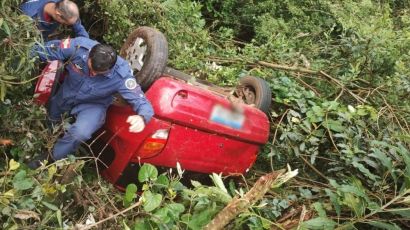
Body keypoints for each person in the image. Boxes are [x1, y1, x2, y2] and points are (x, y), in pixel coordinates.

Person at [28, 37, 154, 169]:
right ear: (89, 56)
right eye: (90, 68)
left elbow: (141, 101)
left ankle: (50, 158)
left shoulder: (122, 75)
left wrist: (142, 117)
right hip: (67, 93)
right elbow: (47, 50)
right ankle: (45, 138)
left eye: (98, 73)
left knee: (80, 133)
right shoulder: (79, 47)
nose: (93, 74)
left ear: (110, 69)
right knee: (50, 118)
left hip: (93, 104)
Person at [20, 0, 89, 40]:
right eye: (65, 24)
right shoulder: (29, 17)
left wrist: (85, 42)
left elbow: (75, 21)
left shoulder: (61, 6)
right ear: (58, 15)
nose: (65, 25)